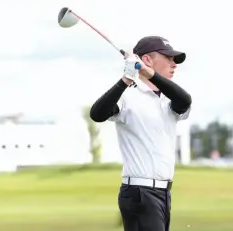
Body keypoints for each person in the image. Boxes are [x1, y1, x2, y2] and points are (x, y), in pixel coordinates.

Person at [89, 35, 192, 231]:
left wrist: (149, 74)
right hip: (139, 193)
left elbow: (184, 100)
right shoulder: (128, 96)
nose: (174, 64)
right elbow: (97, 114)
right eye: (169, 58)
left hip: (163, 193)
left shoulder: (169, 100)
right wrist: (125, 80)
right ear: (147, 60)